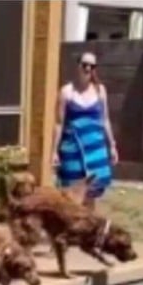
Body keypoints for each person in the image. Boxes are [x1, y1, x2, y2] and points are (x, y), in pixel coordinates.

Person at [52, 52, 118, 210]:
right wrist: (54, 151)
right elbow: (59, 123)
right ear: (78, 66)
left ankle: (88, 228)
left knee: (92, 192)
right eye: (85, 65)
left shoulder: (100, 90)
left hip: (95, 150)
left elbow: (105, 120)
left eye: (92, 66)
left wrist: (112, 145)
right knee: (72, 194)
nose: (88, 69)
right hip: (72, 150)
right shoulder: (66, 92)